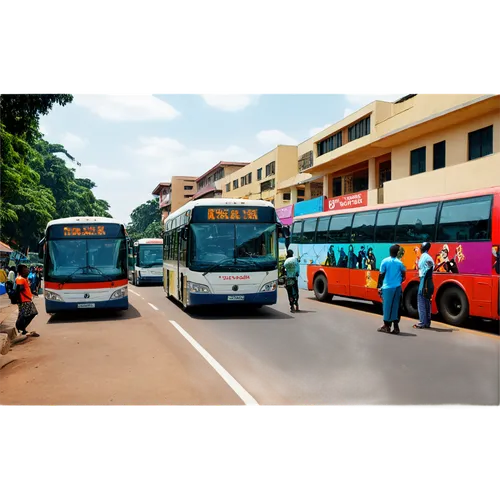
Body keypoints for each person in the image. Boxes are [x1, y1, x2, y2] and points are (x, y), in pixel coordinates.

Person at [377, 244, 406, 334]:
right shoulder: (400, 263)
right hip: (397, 288)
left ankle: (386, 326)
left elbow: (381, 275)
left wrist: (379, 286)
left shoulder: (385, 261)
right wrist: (399, 281)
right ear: (397, 253)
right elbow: (404, 275)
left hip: (387, 288)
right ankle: (396, 327)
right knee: (396, 307)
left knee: (387, 307)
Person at [15, 264, 39, 337]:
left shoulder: (24, 278)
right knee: (26, 315)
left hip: (27, 300)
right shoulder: (20, 279)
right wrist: (19, 301)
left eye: (27, 269)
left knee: (30, 314)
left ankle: (22, 328)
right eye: (25, 270)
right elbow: (19, 290)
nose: (27, 270)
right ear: (21, 271)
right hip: (24, 301)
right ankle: (21, 328)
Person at [414, 242, 434, 329]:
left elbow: (419, 266)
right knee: (427, 303)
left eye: (421, 246)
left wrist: (417, 257)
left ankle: (422, 322)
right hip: (429, 281)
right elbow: (431, 266)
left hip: (423, 281)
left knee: (421, 302)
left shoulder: (423, 256)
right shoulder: (429, 257)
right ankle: (427, 323)